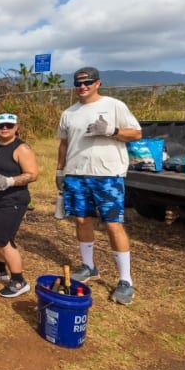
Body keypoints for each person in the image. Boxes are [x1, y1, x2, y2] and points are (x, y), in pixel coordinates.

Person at [57, 67, 141, 305]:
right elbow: (63, 144)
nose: (82, 86)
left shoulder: (115, 106)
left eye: (88, 82)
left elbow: (136, 133)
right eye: (78, 83)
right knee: (82, 221)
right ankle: (89, 266)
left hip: (107, 175)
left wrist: (112, 131)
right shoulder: (69, 113)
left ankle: (125, 280)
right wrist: (59, 170)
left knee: (113, 225)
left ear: (98, 83)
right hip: (76, 175)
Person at [0, 113, 38, 297]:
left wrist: (10, 181)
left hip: (12, 200)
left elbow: (33, 174)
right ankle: (0, 269)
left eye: (9, 126)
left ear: (16, 127)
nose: (4, 128)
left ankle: (19, 280)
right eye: (0, 125)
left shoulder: (21, 148)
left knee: (4, 241)